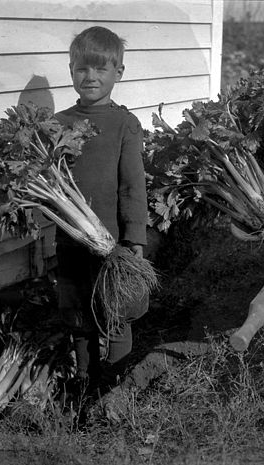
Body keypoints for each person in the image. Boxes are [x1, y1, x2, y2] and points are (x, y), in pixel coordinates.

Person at [53, 26, 149, 393]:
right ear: (71, 70)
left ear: (118, 73)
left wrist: (134, 237)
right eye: (82, 68)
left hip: (114, 243)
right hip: (71, 240)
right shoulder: (57, 125)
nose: (90, 77)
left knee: (118, 311)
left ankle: (115, 384)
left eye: (100, 69)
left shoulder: (125, 123)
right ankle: (85, 383)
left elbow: (132, 185)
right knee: (79, 313)